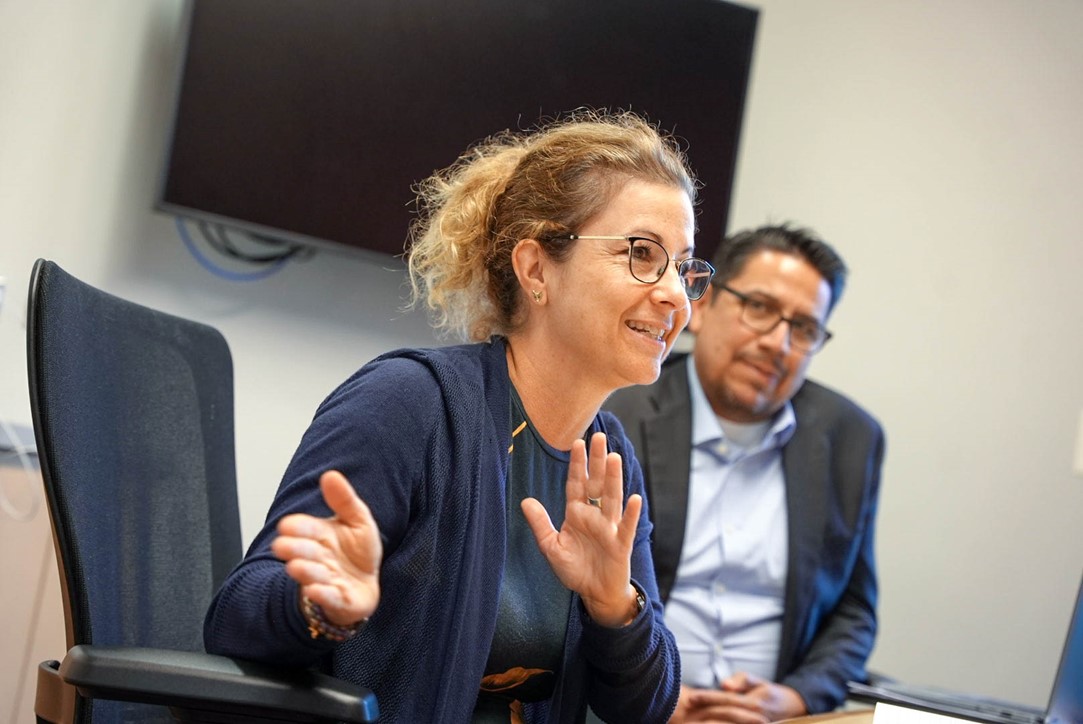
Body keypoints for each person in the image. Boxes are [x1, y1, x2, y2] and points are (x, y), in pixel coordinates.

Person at [203, 110, 720, 723]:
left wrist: (617, 607)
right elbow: (234, 619)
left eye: (685, 270)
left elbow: (645, 708)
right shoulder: (410, 404)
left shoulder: (609, 458)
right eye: (641, 254)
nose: (672, 294)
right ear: (535, 270)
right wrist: (321, 604)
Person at [604, 224, 885, 723]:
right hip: (636, 707)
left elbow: (853, 612)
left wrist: (796, 698)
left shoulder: (851, 438)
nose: (779, 343)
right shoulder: (616, 415)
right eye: (759, 308)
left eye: (804, 328)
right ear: (703, 306)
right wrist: (655, 693)